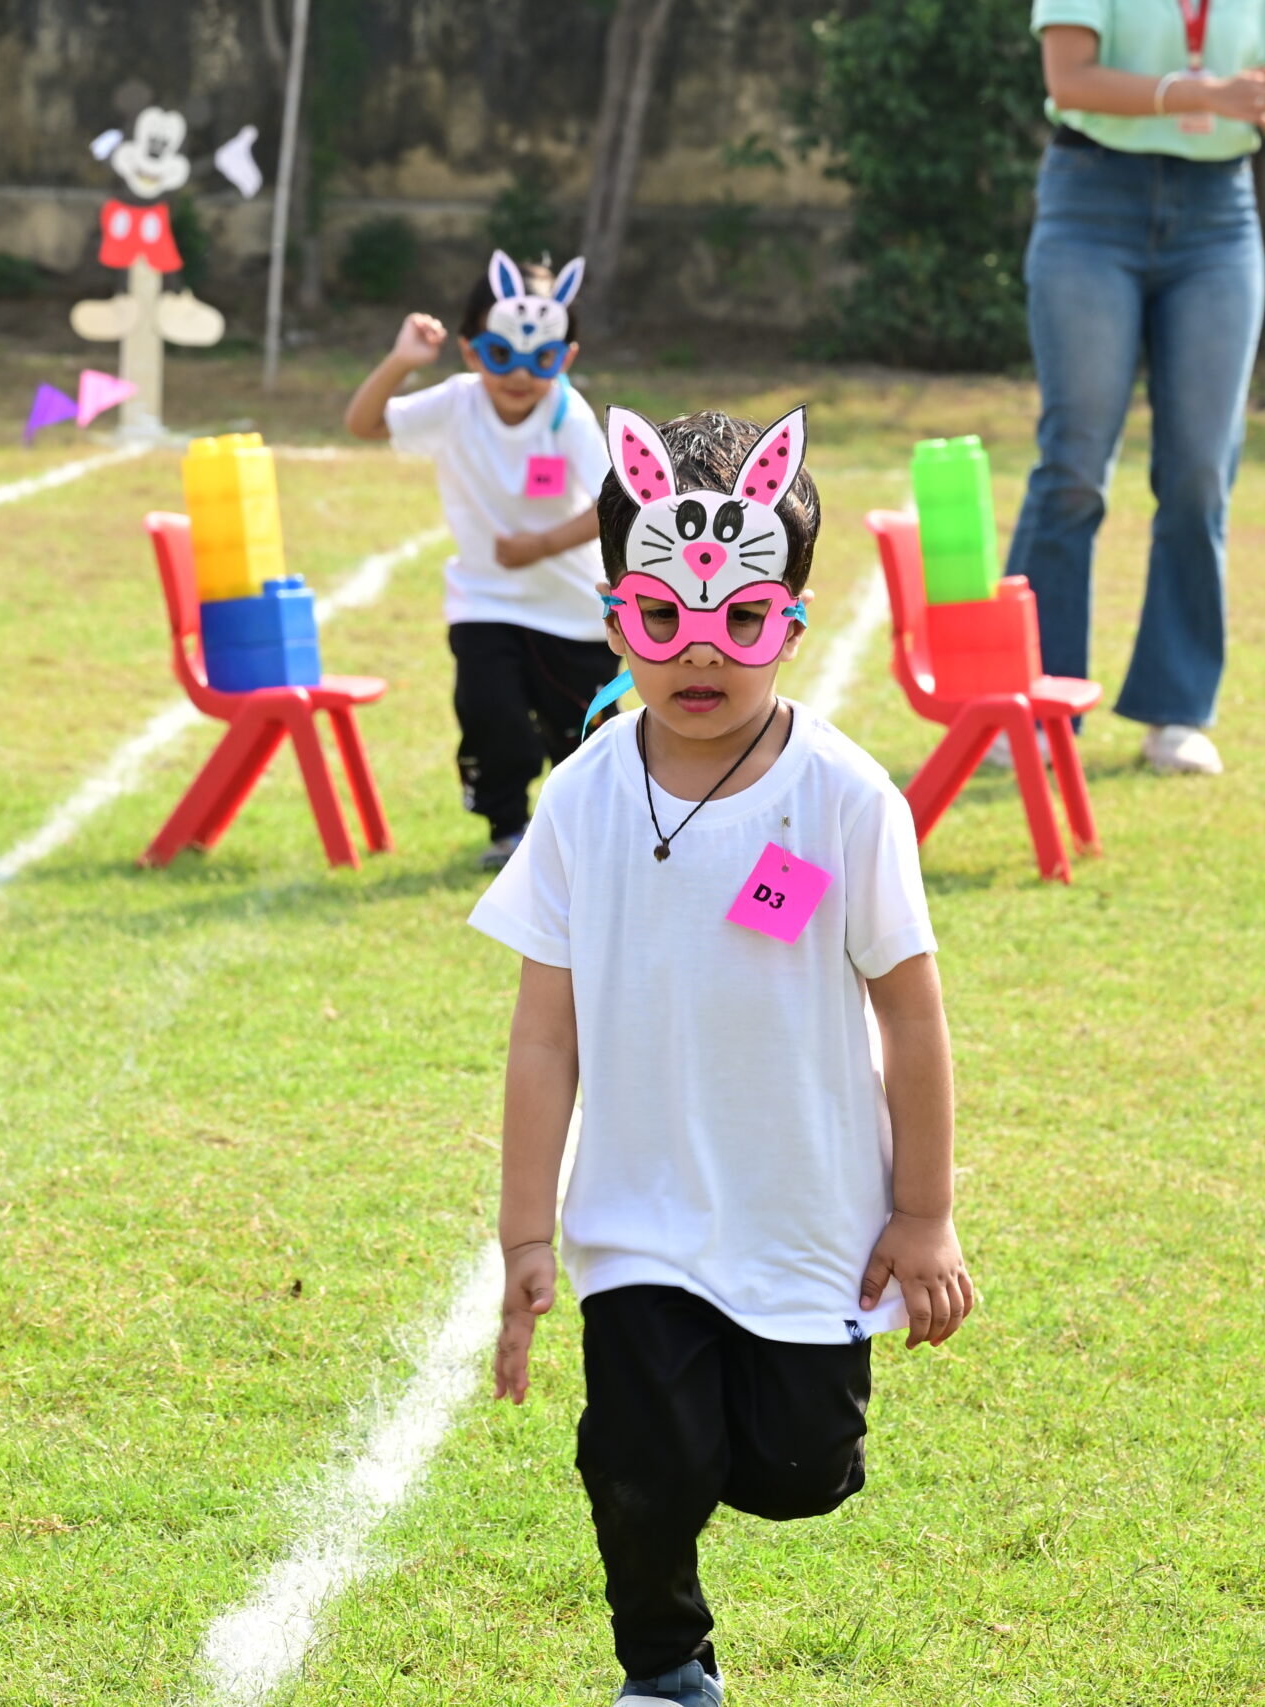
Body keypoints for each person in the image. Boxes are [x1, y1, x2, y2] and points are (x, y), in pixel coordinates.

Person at [472, 406, 974, 1707]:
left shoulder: (845, 799)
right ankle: (663, 1666)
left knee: (802, 1470)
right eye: (663, 618)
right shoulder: (582, 798)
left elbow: (913, 1015)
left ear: (791, 622)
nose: (700, 650)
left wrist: (923, 1212)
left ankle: (724, 1457)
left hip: (806, 1211)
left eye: (739, 620)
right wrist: (526, 1233)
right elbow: (543, 1034)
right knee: (642, 1458)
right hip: (638, 1215)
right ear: (615, 617)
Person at [1007, 1, 1265, 776]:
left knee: (1199, 473)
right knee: (1074, 467)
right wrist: (1208, 94)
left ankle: (1177, 711)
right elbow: (1069, 79)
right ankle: (1031, 704)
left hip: (1219, 215)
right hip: (1091, 200)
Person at [345, 249, 622, 868]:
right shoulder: (456, 403)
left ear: (565, 358)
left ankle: (597, 838)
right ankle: (508, 830)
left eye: (540, 359)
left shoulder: (566, 415)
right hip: (484, 601)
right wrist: (402, 360)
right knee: (491, 715)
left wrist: (541, 545)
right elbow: (363, 424)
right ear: (471, 351)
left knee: (585, 733)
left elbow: (615, 499)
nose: (519, 375)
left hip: (571, 610)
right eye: (501, 355)